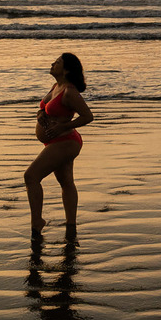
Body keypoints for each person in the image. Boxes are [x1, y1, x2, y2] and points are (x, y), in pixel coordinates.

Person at [26, 52, 93, 236]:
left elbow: (88, 116)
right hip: (55, 141)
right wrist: (40, 114)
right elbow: (43, 106)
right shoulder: (56, 86)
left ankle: (37, 221)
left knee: (31, 176)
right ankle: (71, 225)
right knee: (66, 182)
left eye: (57, 62)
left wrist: (64, 125)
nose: (52, 64)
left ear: (66, 70)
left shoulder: (69, 92)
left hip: (66, 142)